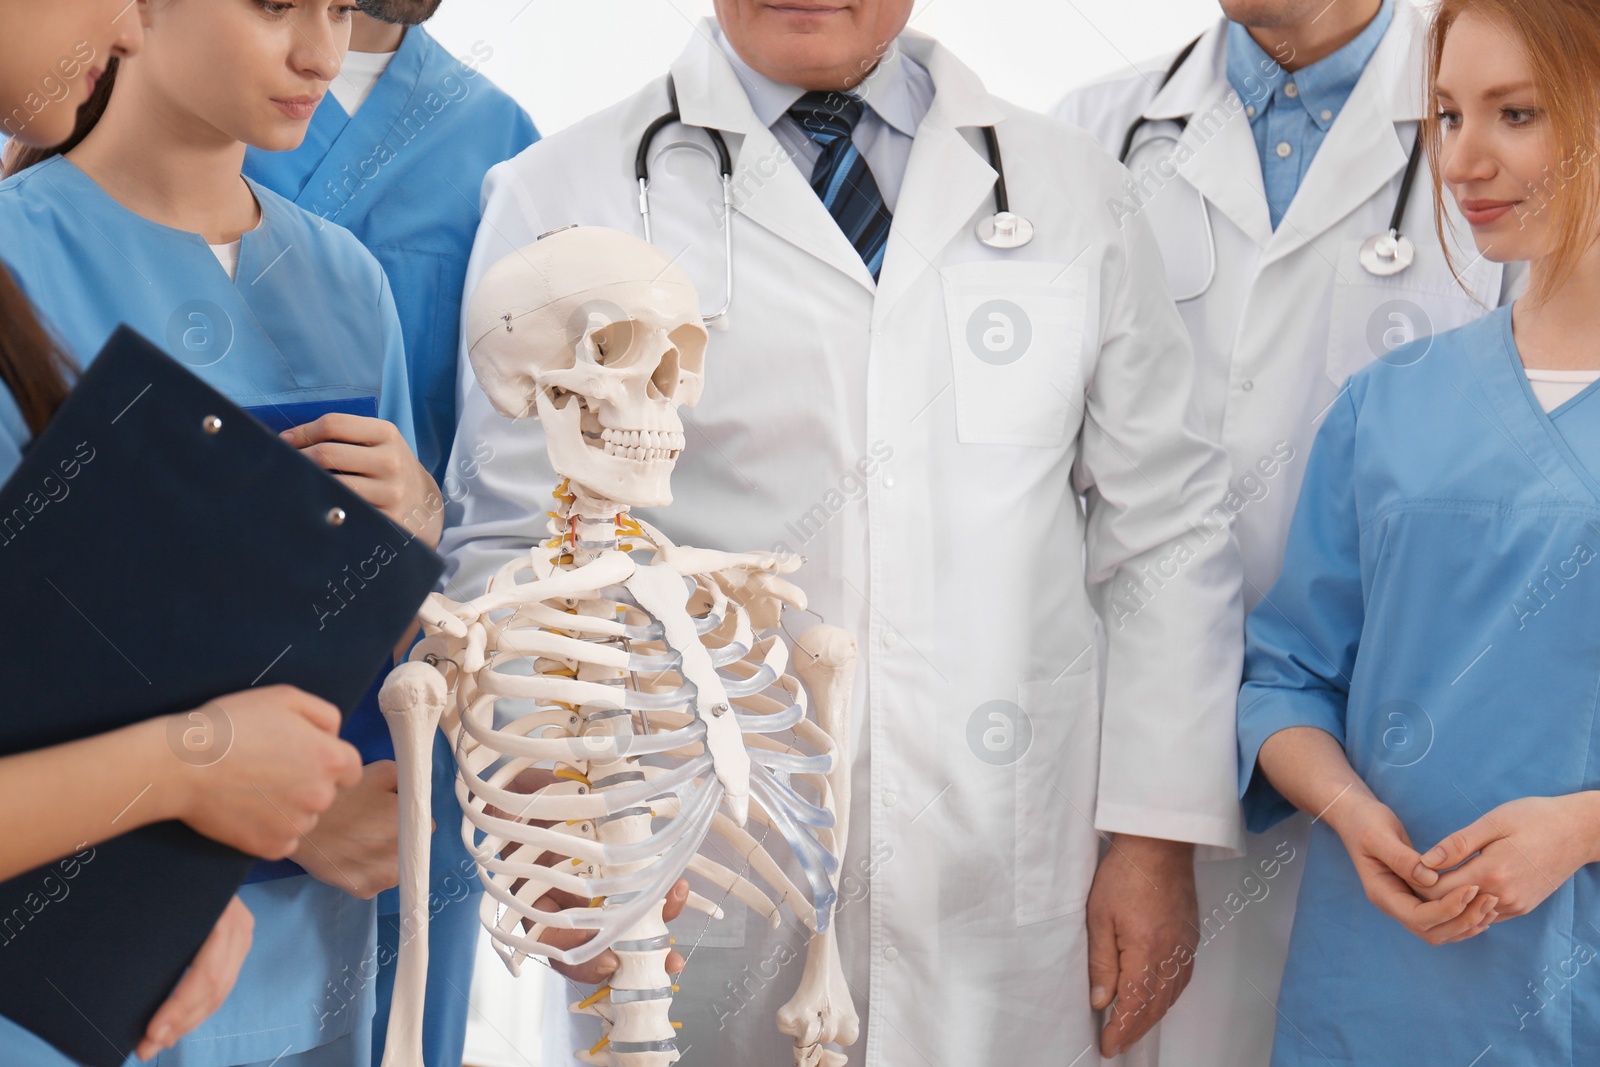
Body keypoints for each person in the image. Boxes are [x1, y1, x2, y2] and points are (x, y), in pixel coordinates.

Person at [441, 0, 1248, 1063]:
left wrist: (1153, 836)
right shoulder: (565, 191)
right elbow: (510, 539)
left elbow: (1165, 530)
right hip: (694, 864)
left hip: (1004, 852)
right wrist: (556, 819)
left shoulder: (1071, 189)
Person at [1053, 1, 1523, 1061]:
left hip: (1407, 784)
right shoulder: (1085, 137)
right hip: (1119, 761)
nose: (1480, 133)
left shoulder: (1512, 125)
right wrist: (1151, 806)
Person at [0, 1, 443, 1065]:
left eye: (341, 10)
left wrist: (419, 519)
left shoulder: (348, 285)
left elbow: (398, 641)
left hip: (312, 959)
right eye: (276, 6)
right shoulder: (22, 262)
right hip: (78, 966)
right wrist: (240, 820)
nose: (321, 54)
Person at [1239, 0, 1600, 1061]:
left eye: (1515, 113)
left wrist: (1579, 828)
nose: (1463, 160)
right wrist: (1349, 808)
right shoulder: (1388, 404)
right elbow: (1285, 680)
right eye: (1445, 115)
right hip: (1385, 991)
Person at [240, 5, 536, 1061]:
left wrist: (427, 510)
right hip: (189, 687)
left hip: (413, 707)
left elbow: (531, 476)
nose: (306, 46)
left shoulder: (499, 141)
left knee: (401, 1020)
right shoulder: (161, 94)